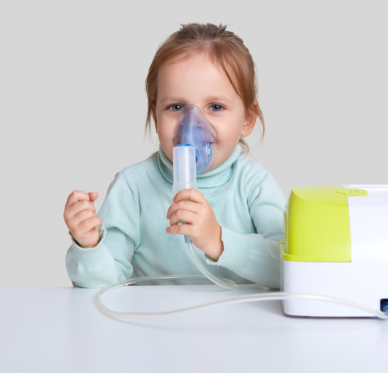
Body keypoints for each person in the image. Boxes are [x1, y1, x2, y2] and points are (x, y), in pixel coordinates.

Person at [63, 23, 285, 289]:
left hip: (234, 326)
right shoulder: (133, 188)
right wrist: (89, 247)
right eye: (176, 107)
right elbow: (104, 289)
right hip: (154, 325)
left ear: (247, 118)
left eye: (215, 107)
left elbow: (289, 269)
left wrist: (219, 241)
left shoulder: (253, 185)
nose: (192, 124)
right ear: (155, 115)